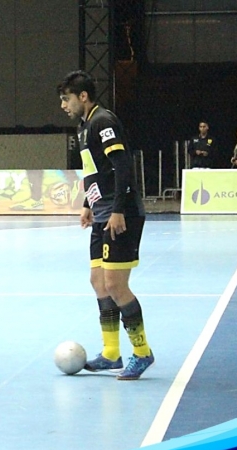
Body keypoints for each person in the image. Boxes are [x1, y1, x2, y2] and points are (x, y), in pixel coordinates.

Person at [57, 70, 154, 380]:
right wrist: (88, 204)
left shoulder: (103, 121)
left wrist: (118, 209)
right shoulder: (84, 128)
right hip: (100, 213)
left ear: (82, 97)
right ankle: (111, 353)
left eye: (66, 99)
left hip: (119, 213)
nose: (63, 105)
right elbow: (93, 171)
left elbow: (123, 164)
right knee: (98, 282)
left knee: (115, 284)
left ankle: (142, 352)